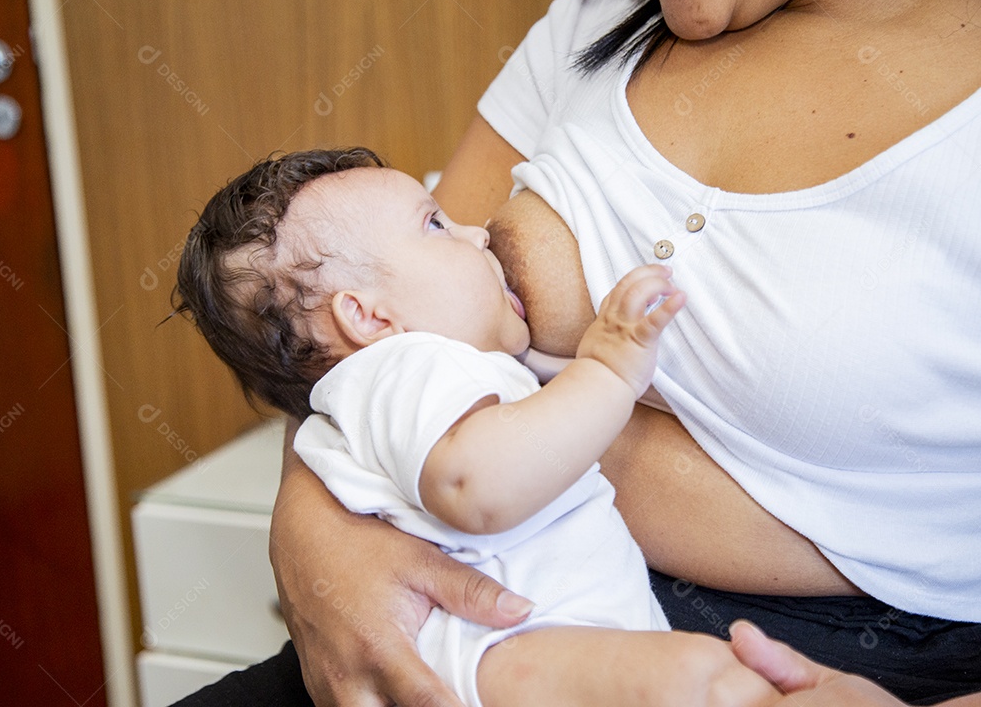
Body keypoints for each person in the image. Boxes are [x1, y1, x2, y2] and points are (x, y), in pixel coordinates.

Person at [175, 0, 981, 705]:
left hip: (851, 664)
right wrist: (316, 540)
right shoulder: (596, 16)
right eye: (434, 221)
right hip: (487, 621)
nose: (467, 228)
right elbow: (341, 339)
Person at [173, 146, 793, 706]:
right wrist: (608, 366)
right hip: (507, 657)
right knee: (702, 678)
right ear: (367, 316)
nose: (477, 233)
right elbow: (475, 486)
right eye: (435, 224)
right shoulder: (409, 367)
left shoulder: (382, 388)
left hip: (515, 649)